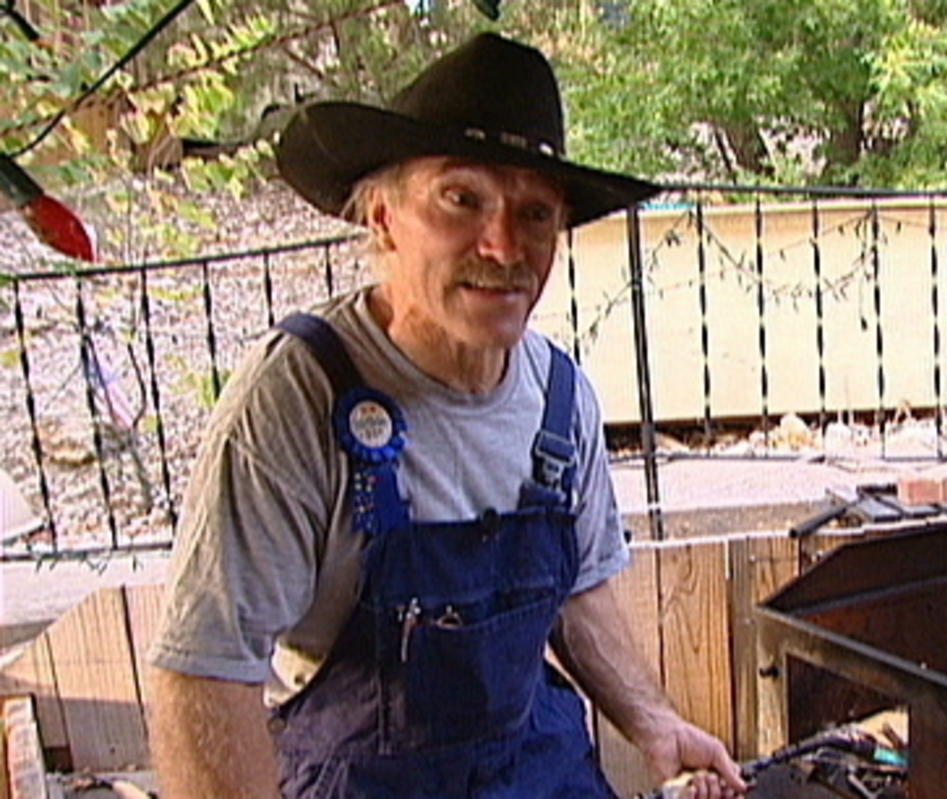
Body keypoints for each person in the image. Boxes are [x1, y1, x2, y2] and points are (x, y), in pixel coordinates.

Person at [148, 32, 747, 799]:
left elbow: (579, 588)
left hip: (539, 776)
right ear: (384, 218)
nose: (502, 246)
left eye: (534, 213)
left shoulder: (560, 401)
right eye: (462, 199)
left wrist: (655, 722)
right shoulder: (298, 398)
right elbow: (204, 674)